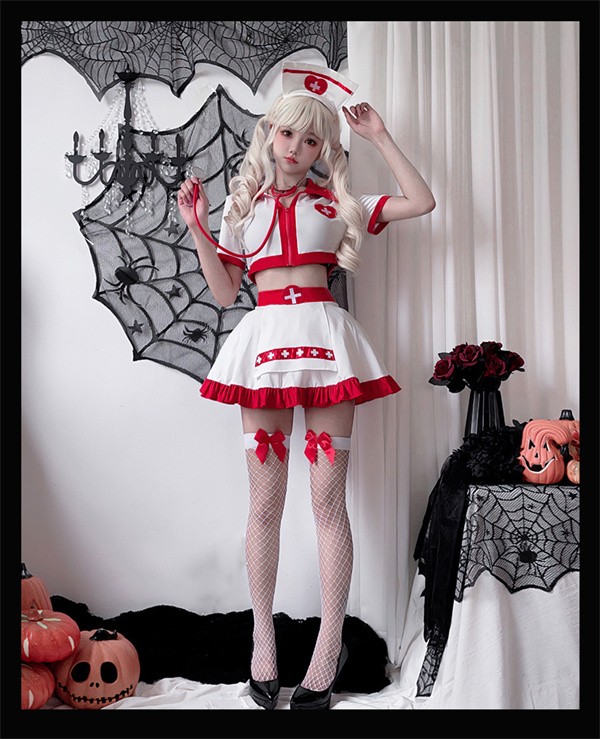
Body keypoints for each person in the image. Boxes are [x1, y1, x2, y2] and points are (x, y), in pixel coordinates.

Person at [177, 61, 435, 710]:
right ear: (269, 134)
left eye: (311, 139)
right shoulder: (241, 210)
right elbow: (225, 293)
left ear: (323, 149)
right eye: (287, 133)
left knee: (327, 502)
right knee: (264, 502)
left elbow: (421, 201)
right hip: (263, 350)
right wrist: (200, 229)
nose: (295, 147)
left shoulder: (336, 203)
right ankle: (262, 644)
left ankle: (328, 648)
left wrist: (378, 137)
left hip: (327, 348)